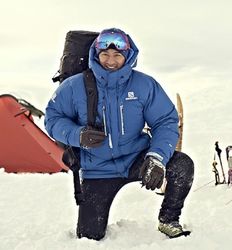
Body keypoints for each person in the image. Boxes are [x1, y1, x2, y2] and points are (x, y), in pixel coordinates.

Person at [45, 28, 194, 240]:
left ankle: (169, 219)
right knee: (89, 237)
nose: (111, 61)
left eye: (117, 55)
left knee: (182, 165)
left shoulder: (145, 85)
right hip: (97, 169)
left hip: (137, 159)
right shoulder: (73, 86)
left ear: (128, 55)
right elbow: (53, 118)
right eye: (105, 54)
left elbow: (165, 121)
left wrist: (156, 158)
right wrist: (77, 135)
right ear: (96, 55)